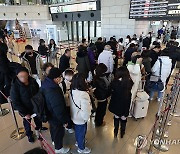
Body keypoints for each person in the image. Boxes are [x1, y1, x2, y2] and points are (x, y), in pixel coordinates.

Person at [10, 67, 47, 143]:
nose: (23, 78)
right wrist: (24, 113)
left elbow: (38, 91)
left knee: (38, 119)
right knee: (27, 123)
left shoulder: (32, 81)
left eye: (25, 76)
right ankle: (29, 134)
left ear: (28, 75)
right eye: (21, 77)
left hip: (35, 106)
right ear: (17, 76)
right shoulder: (15, 86)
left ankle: (39, 128)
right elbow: (16, 102)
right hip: (25, 109)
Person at [41, 68, 70, 154]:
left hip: (48, 112)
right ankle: (59, 148)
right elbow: (58, 108)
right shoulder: (54, 89)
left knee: (53, 129)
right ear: (56, 78)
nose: (61, 79)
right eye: (60, 77)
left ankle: (54, 140)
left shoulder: (45, 83)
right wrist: (64, 121)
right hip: (55, 115)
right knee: (58, 131)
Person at [70, 73, 92, 154]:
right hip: (80, 118)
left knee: (78, 131)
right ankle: (81, 148)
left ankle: (78, 142)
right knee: (81, 132)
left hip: (74, 115)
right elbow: (86, 110)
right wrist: (86, 118)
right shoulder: (83, 94)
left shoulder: (72, 90)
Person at [109, 66, 133, 138]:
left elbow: (110, 90)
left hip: (116, 103)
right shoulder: (129, 82)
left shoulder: (115, 82)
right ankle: (122, 132)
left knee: (116, 116)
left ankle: (115, 131)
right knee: (124, 118)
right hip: (125, 104)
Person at [63, 69, 75, 134]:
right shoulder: (64, 83)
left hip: (71, 102)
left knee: (71, 114)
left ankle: (71, 124)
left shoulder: (72, 82)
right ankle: (68, 127)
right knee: (67, 115)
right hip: (66, 102)